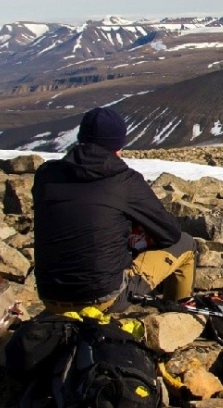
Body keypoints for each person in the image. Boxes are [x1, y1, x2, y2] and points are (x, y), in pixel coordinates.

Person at [32, 106, 195, 313]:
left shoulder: (46, 175)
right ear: (118, 144)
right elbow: (170, 232)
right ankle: (176, 316)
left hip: (50, 296)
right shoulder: (124, 180)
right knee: (186, 243)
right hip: (102, 298)